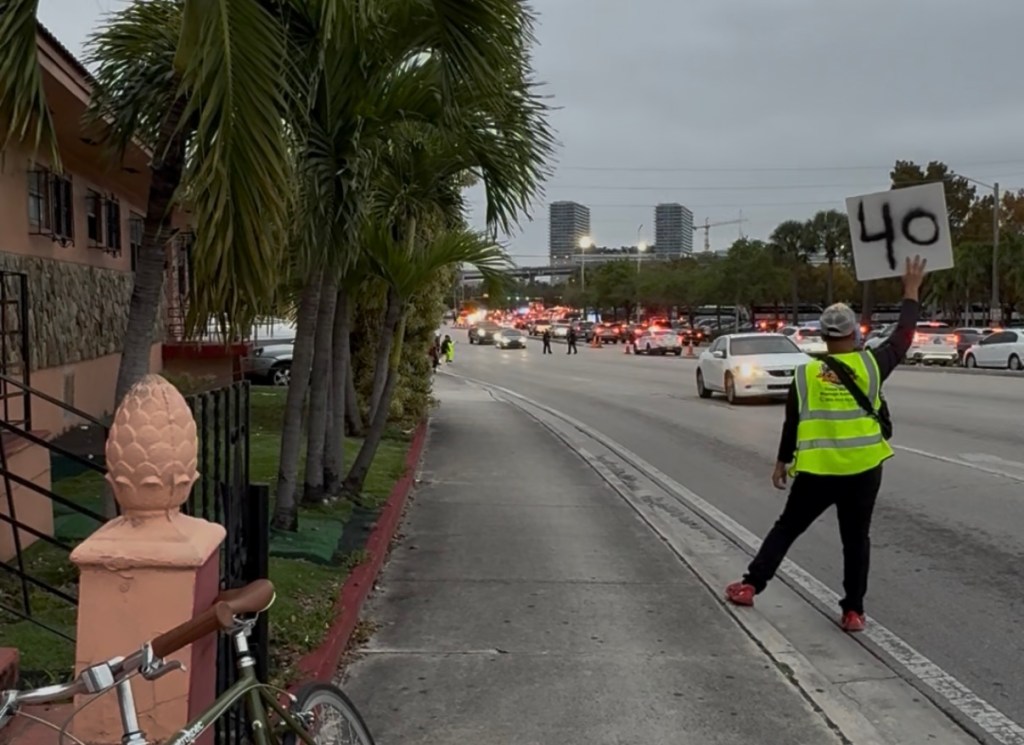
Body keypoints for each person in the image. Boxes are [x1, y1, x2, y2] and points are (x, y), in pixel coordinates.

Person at [724, 255, 927, 633]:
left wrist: (781, 462)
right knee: (855, 540)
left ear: (822, 336)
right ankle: (853, 611)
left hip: (818, 472)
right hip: (864, 470)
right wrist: (911, 291)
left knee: (787, 528)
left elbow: (792, 423)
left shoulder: (806, 374)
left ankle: (751, 585)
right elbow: (903, 336)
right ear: (855, 333)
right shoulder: (872, 364)